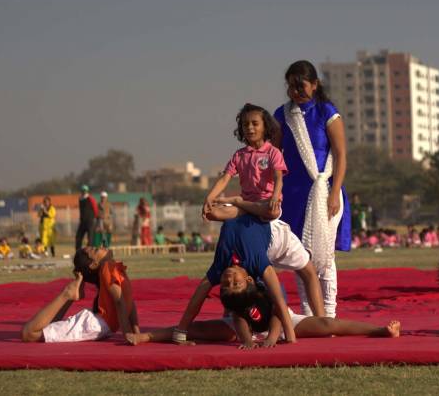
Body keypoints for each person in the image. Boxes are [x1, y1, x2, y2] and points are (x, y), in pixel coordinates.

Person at [171, 214, 325, 346]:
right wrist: (290, 336)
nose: (229, 279)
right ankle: (320, 323)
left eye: (225, 284)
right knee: (306, 273)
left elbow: (197, 298)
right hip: (268, 240)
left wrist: (181, 331)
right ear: (249, 280)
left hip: (278, 238)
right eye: (235, 283)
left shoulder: (220, 267)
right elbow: (279, 300)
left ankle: (320, 319)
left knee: (308, 273)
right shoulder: (257, 261)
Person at [273, 60, 351, 318]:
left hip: (325, 191)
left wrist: (334, 193)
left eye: (301, 85)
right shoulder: (282, 114)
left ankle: (329, 315)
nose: (296, 91)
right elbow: (275, 155)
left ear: (315, 84)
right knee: (300, 255)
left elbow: (340, 155)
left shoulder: (327, 111)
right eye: (291, 86)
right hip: (293, 195)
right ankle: (308, 313)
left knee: (324, 256)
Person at [126, 277, 401, 347]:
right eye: (226, 282)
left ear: (248, 279)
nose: (230, 282)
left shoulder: (262, 283)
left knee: (328, 325)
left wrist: (271, 338)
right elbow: (238, 318)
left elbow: (278, 313)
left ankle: (380, 330)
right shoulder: (232, 296)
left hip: (281, 320)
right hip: (242, 327)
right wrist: (247, 340)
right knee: (198, 330)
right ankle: (147, 336)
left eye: (234, 279)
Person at [21, 246, 140, 343]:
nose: (101, 246)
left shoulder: (113, 267)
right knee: (29, 334)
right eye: (96, 250)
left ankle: (70, 295)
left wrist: (136, 332)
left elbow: (128, 302)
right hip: (94, 325)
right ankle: (68, 293)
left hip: (98, 325)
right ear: (94, 264)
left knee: (39, 331)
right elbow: (120, 301)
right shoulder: (108, 267)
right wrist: (128, 333)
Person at [202, 103, 287, 222]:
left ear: (265, 127)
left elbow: (278, 177)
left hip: (265, 202)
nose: (250, 127)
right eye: (245, 124)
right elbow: (224, 179)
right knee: (211, 213)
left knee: (272, 212)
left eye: (255, 124)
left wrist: (275, 196)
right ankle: (242, 205)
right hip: (246, 202)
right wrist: (210, 197)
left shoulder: (273, 152)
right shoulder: (239, 155)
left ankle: (237, 202)